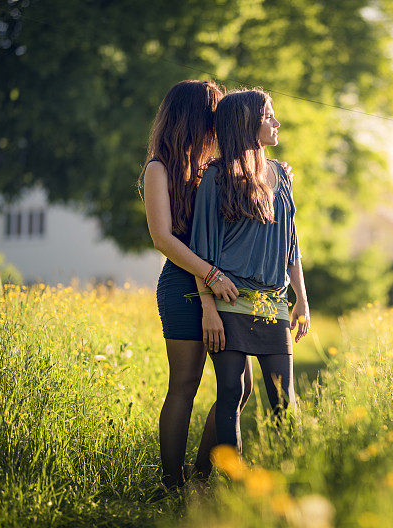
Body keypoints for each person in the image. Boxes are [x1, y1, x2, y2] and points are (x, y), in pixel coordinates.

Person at [141, 80, 283, 490]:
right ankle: (172, 483)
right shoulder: (158, 168)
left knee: (240, 388)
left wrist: (276, 169)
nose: (217, 120)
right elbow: (162, 238)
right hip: (185, 287)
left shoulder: (211, 168)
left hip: (223, 290)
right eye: (211, 112)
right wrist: (209, 274)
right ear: (191, 116)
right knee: (183, 385)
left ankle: (202, 474)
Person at [189, 88, 309, 453]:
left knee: (283, 397)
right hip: (228, 302)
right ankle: (231, 486)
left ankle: (296, 476)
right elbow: (201, 248)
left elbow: (292, 245)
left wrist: (301, 300)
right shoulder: (215, 179)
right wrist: (208, 309)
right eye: (268, 116)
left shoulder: (281, 174)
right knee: (231, 393)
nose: (276, 122)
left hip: (273, 303)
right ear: (247, 123)